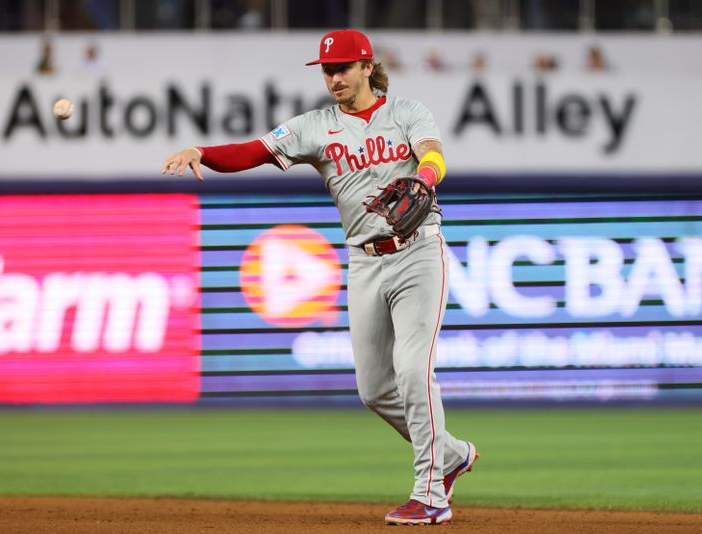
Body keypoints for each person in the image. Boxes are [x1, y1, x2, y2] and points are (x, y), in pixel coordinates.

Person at [162, 29, 479, 526]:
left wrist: (424, 178)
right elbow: (254, 151)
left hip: (418, 252)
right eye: (328, 70)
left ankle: (431, 492)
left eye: (344, 68)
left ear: (368, 67)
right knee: (374, 389)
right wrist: (204, 151)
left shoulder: (407, 113)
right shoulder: (315, 126)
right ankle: (453, 453)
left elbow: (433, 155)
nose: (335, 78)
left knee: (414, 370)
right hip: (363, 259)